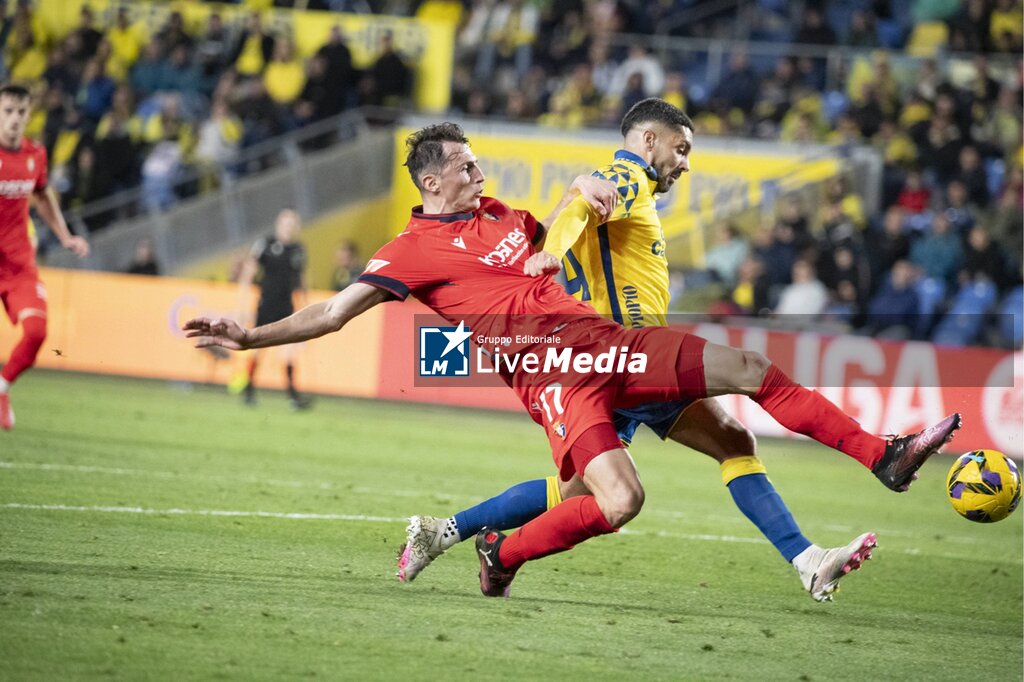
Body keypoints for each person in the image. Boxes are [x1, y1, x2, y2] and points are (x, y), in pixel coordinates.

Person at [185, 122, 961, 599]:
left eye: (476, 162)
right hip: (552, 375)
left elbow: (563, 225)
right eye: (463, 165)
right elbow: (333, 311)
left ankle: (882, 456)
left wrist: (587, 190)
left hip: (610, 341)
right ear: (430, 180)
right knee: (618, 502)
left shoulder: (504, 217)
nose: (477, 172)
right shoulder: (407, 251)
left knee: (751, 371)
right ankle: (499, 551)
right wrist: (250, 336)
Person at [398, 99, 865, 602]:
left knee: (601, 483)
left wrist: (572, 196)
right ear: (648, 140)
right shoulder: (624, 176)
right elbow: (572, 217)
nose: (685, 162)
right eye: (680, 148)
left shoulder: (589, 192)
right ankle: (826, 529)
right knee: (629, 483)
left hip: (611, 357)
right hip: (613, 359)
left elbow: (559, 220)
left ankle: (449, 531)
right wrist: (559, 239)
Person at [0, 83, 89, 430]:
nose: (14, 119)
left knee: (37, 332)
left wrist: (65, 236)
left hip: (19, 264)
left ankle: (2, 388)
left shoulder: (35, 154)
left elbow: (42, 196)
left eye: (21, 112)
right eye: (7, 111)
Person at [236, 208, 311, 410]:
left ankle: (292, 396)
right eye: (286, 223)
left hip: (287, 305)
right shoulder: (265, 244)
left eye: (292, 224)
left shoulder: (298, 250)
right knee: (258, 349)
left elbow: (301, 281)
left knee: (289, 351)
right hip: (267, 303)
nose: (289, 227)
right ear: (278, 223)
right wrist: (242, 304)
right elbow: (249, 273)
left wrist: (306, 306)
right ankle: (249, 388)